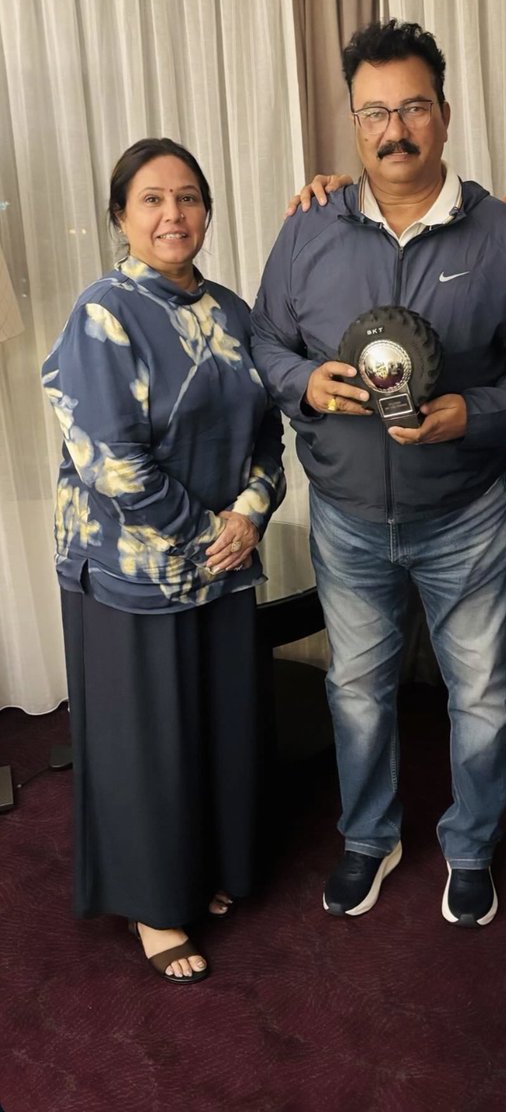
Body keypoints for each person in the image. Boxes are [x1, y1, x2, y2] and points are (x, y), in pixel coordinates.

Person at [252, 20, 506, 929]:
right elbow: (263, 341)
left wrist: (476, 411)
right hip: (346, 512)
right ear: (352, 123)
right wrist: (307, 382)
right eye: (374, 111)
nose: (395, 129)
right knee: (356, 688)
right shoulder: (310, 227)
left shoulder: (503, 231)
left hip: (462, 510)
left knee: (480, 694)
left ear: (446, 115)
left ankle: (470, 846)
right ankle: (368, 837)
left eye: (413, 106)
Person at [41, 138, 286, 984]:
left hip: (224, 556)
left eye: (187, 198)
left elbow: (266, 433)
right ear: (120, 216)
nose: (171, 215)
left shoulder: (230, 309)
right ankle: (154, 902)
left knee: (213, 723)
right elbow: (113, 462)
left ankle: (203, 867)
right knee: (147, 738)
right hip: (133, 572)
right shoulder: (103, 312)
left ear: (207, 211)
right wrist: (206, 528)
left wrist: (249, 515)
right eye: (151, 200)